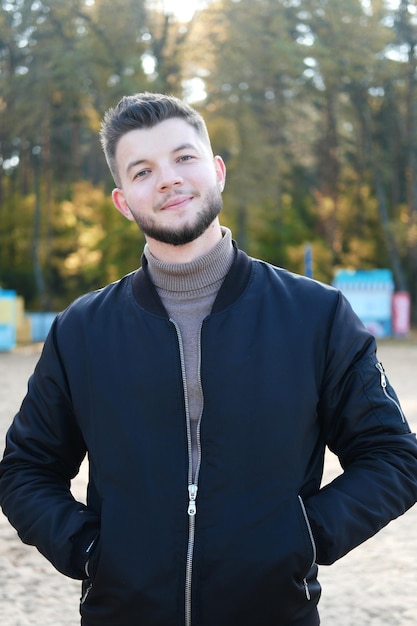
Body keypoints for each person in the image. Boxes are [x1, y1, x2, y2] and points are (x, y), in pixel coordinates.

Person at [1, 92, 417, 626]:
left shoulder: (317, 315)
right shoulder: (81, 330)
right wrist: (90, 552)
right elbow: (26, 471)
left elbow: (393, 456)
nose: (169, 179)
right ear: (123, 201)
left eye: (184, 157)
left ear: (217, 171)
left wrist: (303, 537)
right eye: (143, 170)